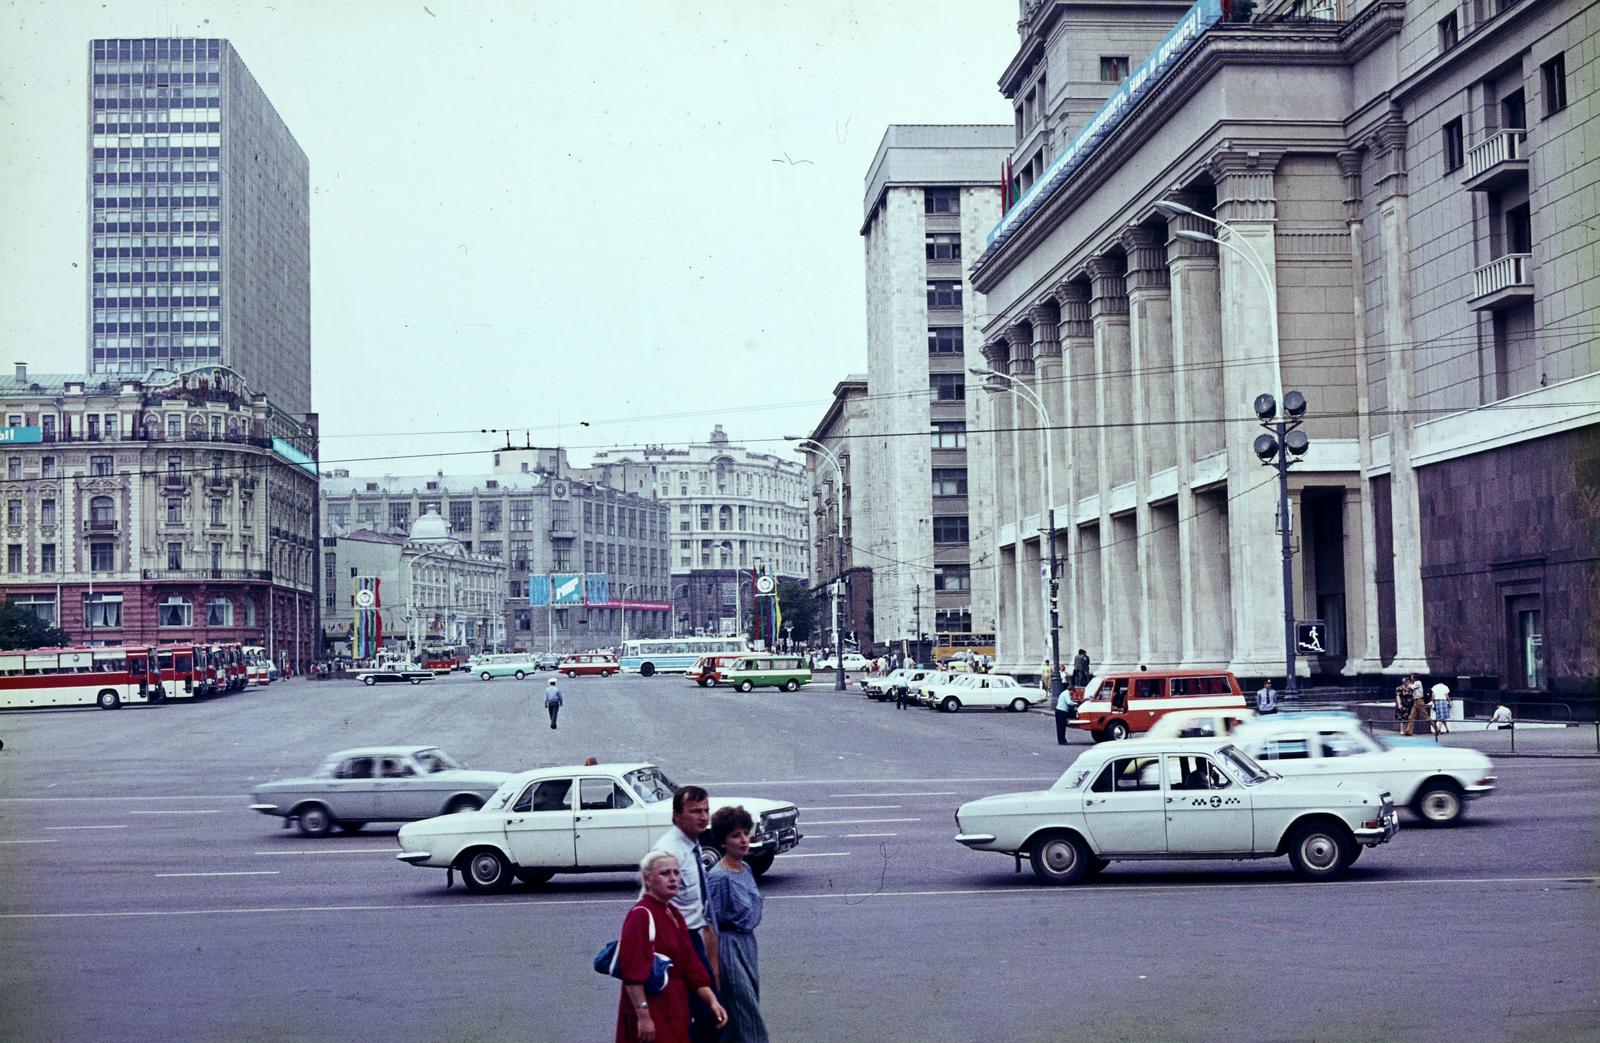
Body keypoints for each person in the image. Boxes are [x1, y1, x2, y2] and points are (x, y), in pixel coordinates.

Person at [615, 851, 727, 1043]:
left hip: (675, 1008)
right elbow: (632, 972)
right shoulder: (641, 915)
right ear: (648, 880)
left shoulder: (674, 914)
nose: (673, 878)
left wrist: (712, 1001)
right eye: (665, 873)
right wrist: (643, 1016)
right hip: (653, 1009)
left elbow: (691, 966)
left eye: (676, 873)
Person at [653, 787, 721, 1043]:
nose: (703, 817)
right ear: (676, 816)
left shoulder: (692, 845)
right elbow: (649, 903)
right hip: (677, 943)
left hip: (696, 937)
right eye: (694, 811)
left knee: (705, 1013)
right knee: (707, 1015)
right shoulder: (668, 851)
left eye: (705, 810)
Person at [705, 806, 770, 1043]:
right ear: (723, 842)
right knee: (748, 1016)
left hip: (747, 945)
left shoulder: (746, 868)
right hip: (729, 949)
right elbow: (710, 924)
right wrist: (715, 969)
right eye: (735, 835)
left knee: (741, 1014)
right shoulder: (718, 877)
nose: (743, 840)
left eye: (745, 833)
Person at [1054, 675, 1077, 745]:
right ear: (1071, 690)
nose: (1072, 694)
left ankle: (1061, 740)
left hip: (1059, 711)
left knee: (1060, 727)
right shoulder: (1066, 693)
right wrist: (1076, 703)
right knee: (1062, 727)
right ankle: (1062, 741)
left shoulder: (1064, 693)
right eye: (1072, 692)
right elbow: (1069, 702)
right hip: (1061, 711)